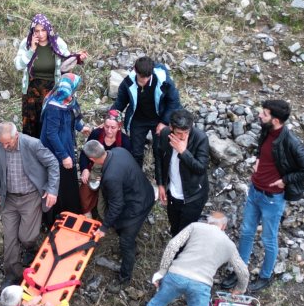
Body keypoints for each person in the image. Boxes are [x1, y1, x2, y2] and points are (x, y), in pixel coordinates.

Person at [224, 99, 304, 294]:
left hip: (272, 198)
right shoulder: (266, 130)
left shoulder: (290, 141)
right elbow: (264, 148)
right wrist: (259, 159)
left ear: (275, 120)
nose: (260, 115)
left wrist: (285, 180)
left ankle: (265, 276)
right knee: (246, 232)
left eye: (264, 114)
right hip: (254, 191)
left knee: (268, 239)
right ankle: (240, 270)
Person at [134, 212, 248, 306]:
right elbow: (242, 271)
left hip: (176, 275)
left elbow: (172, 245)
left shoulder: (195, 226)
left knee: (157, 303)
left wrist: (162, 271)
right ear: (224, 226)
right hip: (201, 285)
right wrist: (240, 288)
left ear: (208, 221)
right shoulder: (229, 245)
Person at [0, 122, 59, 284]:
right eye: (2, 143)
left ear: (16, 136)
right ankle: (13, 274)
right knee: (10, 239)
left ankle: (30, 248)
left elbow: (53, 163)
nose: (5, 147)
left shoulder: (32, 144)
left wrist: (52, 189)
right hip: (9, 199)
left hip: (30, 197)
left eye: (8, 143)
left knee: (26, 237)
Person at [82, 141, 155, 284]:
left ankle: (124, 278)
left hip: (137, 206)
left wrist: (104, 227)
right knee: (122, 228)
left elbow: (117, 205)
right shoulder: (119, 151)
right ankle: (132, 247)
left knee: (125, 241)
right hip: (145, 192)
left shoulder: (111, 177)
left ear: (92, 159)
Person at [13, 14, 87, 138]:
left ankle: (50, 152)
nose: (41, 34)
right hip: (32, 91)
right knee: (32, 124)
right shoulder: (26, 43)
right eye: (37, 31)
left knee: (50, 123)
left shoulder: (57, 43)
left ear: (48, 29)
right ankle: (32, 150)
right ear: (33, 31)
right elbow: (18, 65)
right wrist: (31, 50)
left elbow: (66, 62)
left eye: (43, 30)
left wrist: (77, 58)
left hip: (52, 90)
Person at [110, 56, 181, 168]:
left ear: (152, 72)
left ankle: (161, 182)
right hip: (138, 120)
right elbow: (120, 102)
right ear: (135, 69)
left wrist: (164, 122)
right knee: (136, 153)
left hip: (159, 118)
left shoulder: (164, 81)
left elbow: (174, 102)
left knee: (160, 151)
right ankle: (137, 180)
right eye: (140, 77)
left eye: (147, 78)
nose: (143, 81)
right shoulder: (128, 82)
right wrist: (110, 117)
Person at [152, 109, 210, 236]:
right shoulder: (165, 134)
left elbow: (201, 168)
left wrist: (183, 152)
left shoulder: (200, 138)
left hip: (193, 197)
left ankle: (181, 255)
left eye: (186, 132)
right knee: (174, 229)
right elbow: (159, 159)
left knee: (184, 235)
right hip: (173, 193)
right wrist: (161, 184)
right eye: (179, 133)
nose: (183, 136)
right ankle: (175, 252)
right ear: (171, 127)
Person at [39, 72, 84, 223]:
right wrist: (64, 156)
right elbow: (51, 134)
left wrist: (81, 127)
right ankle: (55, 217)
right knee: (58, 182)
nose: (71, 95)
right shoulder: (54, 106)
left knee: (69, 183)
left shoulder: (69, 99)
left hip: (67, 145)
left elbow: (75, 116)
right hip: (55, 152)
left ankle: (71, 213)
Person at [78, 109, 125, 217]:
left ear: (119, 127)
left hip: (113, 173)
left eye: (113, 128)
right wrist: (85, 169)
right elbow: (85, 153)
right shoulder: (96, 134)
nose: (109, 130)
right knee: (85, 189)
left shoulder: (124, 141)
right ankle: (87, 212)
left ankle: (105, 215)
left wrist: (107, 177)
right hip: (94, 169)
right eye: (106, 126)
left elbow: (125, 165)